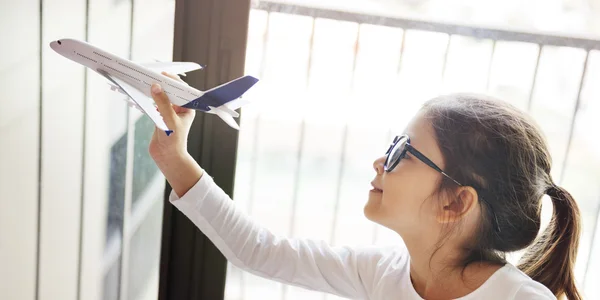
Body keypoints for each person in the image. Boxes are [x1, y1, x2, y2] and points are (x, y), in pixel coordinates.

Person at [149, 72, 582, 300]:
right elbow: (259, 252)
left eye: (403, 153)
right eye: (392, 144)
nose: (381, 160)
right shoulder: (382, 274)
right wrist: (176, 161)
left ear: (455, 202)